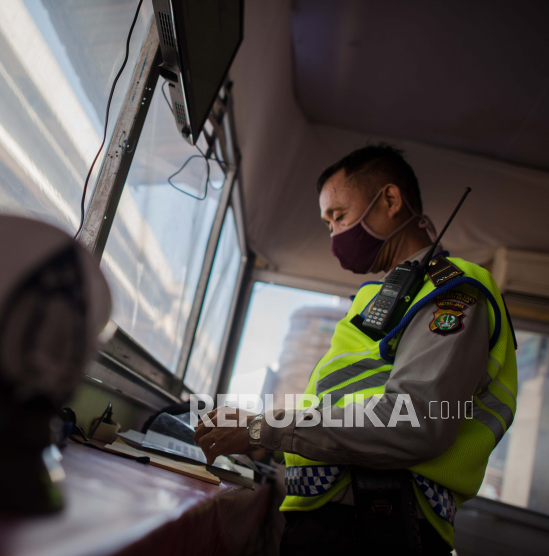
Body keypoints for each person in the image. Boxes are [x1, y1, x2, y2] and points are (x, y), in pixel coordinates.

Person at [193, 144, 517, 555]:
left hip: (373, 524)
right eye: (328, 224)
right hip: (339, 519)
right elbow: (344, 410)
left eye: (339, 216)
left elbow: (416, 420)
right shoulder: (378, 299)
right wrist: (263, 445)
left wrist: (263, 427)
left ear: (390, 200)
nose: (334, 234)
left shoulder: (451, 290)